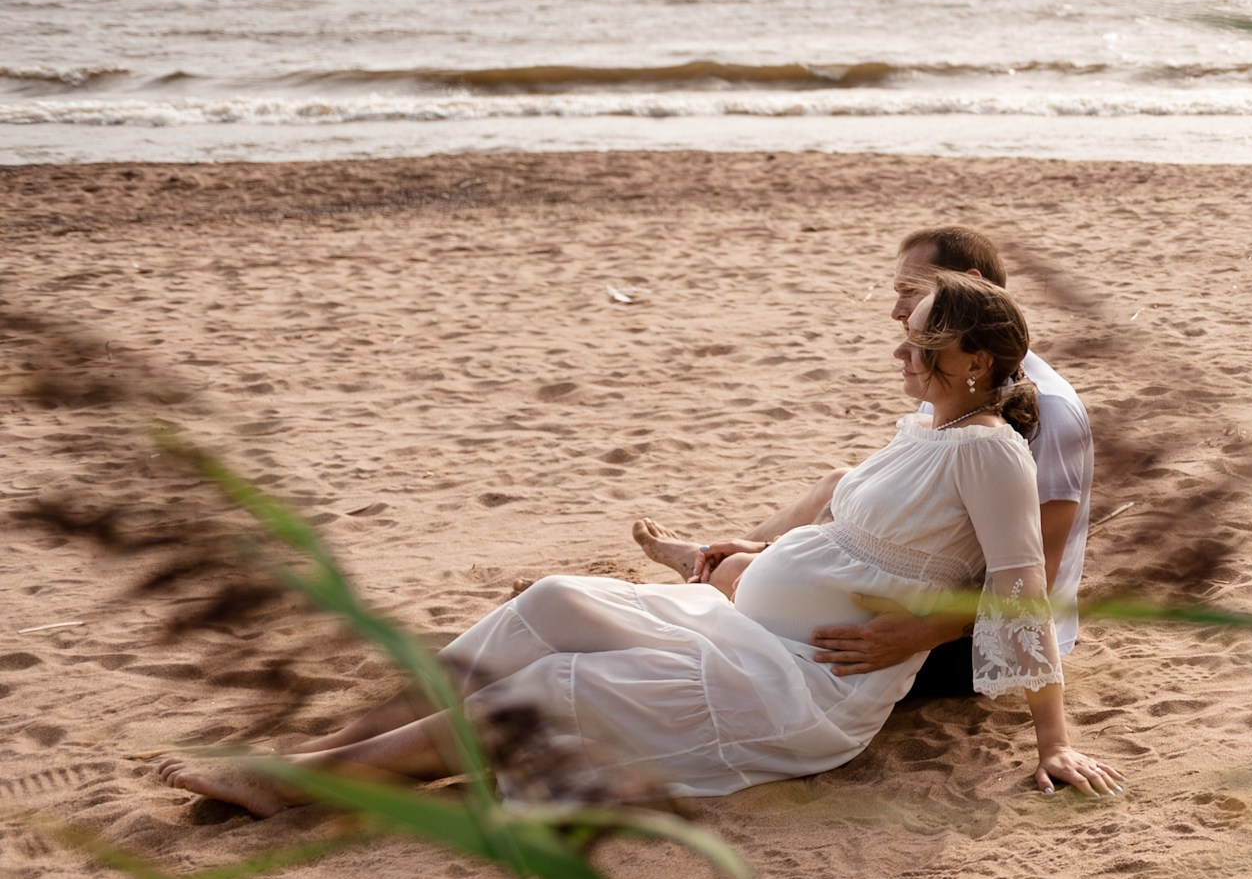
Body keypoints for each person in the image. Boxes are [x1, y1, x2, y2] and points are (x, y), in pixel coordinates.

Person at [157, 275, 1124, 816]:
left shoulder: (994, 453)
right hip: (748, 630)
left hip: (805, 689)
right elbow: (863, 530)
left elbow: (1022, 587)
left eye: (917, 344)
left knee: (548, 695)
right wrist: (764, 551)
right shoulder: (931, 432)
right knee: (551, 603)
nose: (898, 354)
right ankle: (342, 749)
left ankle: (313, 787)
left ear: (973, 362)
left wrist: (1049, 737)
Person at [636, 225, 1092, 703]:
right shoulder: (952, 384)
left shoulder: (1045, 413)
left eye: (909, 292)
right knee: (828, 494)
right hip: (921, 595)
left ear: (967, 283)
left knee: (730, 588)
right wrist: (771, 549)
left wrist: (921, 633)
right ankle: (723, 560)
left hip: (960, 636)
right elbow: (906, 518)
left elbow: (1033, 581)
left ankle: (717, 566)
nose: (896, 311)